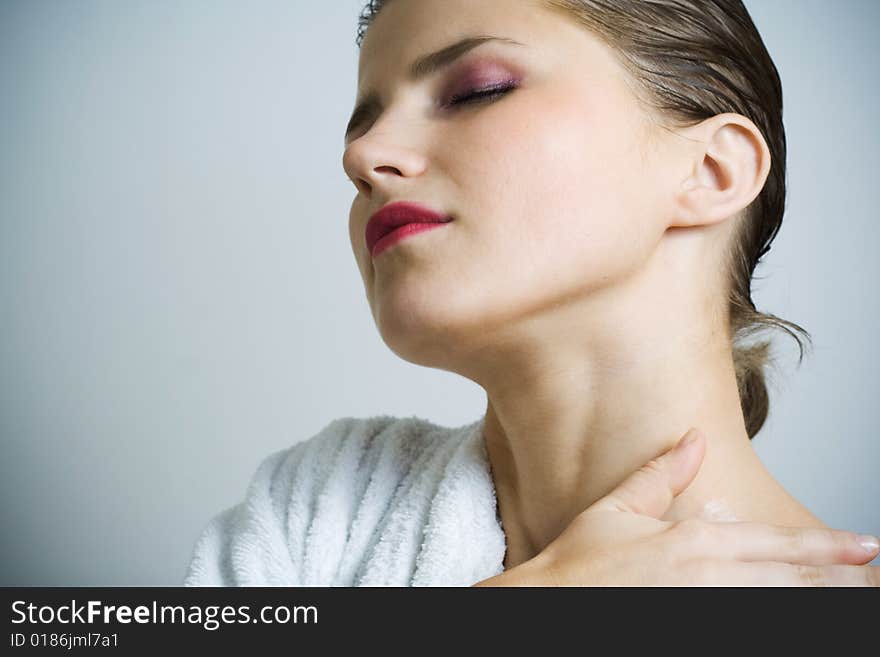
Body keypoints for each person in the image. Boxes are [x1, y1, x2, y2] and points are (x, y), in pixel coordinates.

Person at [183, 0, 880, 586]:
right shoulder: (321, 505)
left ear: (711, 171)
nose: (361, 158)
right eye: (362, 126)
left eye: (477, 90)